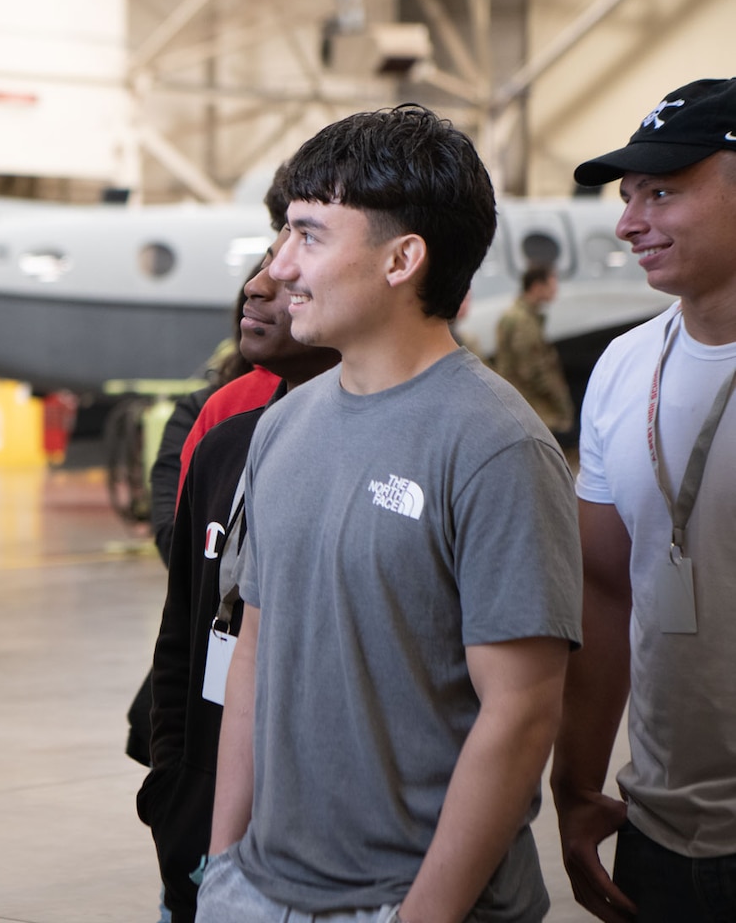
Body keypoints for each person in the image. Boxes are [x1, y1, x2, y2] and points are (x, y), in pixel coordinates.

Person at [199, 105, 583, 923]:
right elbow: (254, 651)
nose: (277, 269)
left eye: (309, 236)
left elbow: (521, 712)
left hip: (410, 905)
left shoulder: (496, 446)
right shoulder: (281, 428)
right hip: (255, 890)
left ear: (403, 259)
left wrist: (423, 917)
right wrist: (223, 863)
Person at [553, 77, 736, 923]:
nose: (628, 222)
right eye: (628, 197)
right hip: (657, 831)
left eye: (662, 191)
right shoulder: (624, 370)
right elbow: (603, 586)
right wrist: (577, 781)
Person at [138, 218, 340, 923]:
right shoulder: (226, 443)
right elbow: (181, 639)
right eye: (261, 267)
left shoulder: (439, 447)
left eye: (287, 276)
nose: (256, 289)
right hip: (206, 816)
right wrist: (176, 792)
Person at [495, 262, 574, 434]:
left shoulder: (517, 315)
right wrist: (561, 404)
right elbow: (532, 370)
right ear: (538, 287)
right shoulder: (523, 322)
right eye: (552, 285)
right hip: (536, 410)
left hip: (525, 408)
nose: (556, 291)